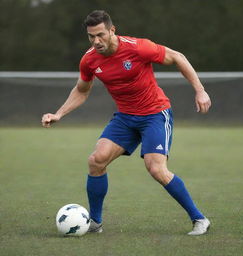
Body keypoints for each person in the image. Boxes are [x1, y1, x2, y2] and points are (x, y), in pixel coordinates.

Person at [42, 10, 211, 235]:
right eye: (91, 36)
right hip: (125, 117)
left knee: (156, 168)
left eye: (100, 35)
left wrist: (200, 91)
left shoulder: (138, 47)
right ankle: (95, 222)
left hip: (155, 114)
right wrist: (59, 114)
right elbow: (81, 91)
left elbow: (177, 57)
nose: (96, 41)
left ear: (112, 30)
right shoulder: (90, 59)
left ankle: (199, 219)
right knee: (96, 160)